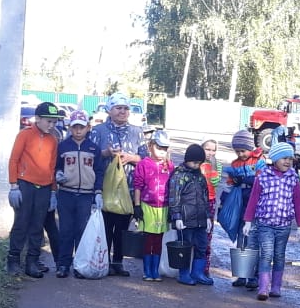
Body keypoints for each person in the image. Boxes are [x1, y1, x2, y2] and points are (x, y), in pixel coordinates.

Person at [88, 93, 148, 276]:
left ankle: (118, 262)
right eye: (118, 108)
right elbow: (90, 156)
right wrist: (106, 153)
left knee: (122, 227)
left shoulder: (138, 132)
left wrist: (130, 157)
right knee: (105, 226)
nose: (122, 112)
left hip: (128, 188)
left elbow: (145, 159)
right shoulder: (98, 131)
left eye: (125, 108)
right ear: (109, 110)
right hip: (105, 187)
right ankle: (103, 261)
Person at [242, 142, 300, 301]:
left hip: (284, 225)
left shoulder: (293, 178)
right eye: (284, 158)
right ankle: (263, 287)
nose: (287, 162)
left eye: (290, 159)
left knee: (279, 255)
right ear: (275, 159)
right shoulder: (263, 176)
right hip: (265, 224)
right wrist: (248, 221)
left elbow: (298, 202)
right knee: (266, 254)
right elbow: (254, 200)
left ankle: (276, 286)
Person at [6, 101, 61, 278]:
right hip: (25, 184)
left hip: (44, 187)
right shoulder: (25, 135)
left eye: (54, 122)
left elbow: (52, 166)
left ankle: (32, 261)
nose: (51, 125)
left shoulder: (53, 140)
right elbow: (14, 159)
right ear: (37, 118)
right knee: (21, 223)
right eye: (48, 121)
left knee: (38, 225)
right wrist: (14, 186)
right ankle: (13, 261)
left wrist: (53, 191)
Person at [54, 109, 106, 278]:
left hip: (86, 195)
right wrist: (58, 176)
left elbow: (99, 171)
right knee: (66, 230)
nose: (78, 130)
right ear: (69, 127)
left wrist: (98, 192)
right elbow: (57, 167)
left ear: (88, 128)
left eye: (81, 127)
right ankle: (63, 264)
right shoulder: (63, 146)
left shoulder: (94, 148)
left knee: (82, 231)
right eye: (75, 127)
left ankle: (80, 264)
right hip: (66, 194)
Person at [223, 129, 266, 288]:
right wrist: (224, 199)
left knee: (254, 241)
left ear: (250, 147)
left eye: (243, 150)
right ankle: (241, 274)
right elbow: (229, 184)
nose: (240, 154)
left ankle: (254, 277)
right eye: (237, 151)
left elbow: (261, 179)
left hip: (255, 206)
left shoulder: (259, 160)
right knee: (241, 241)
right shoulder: (235, 164)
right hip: (240, 206)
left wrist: (246, 179)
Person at [132, 129, 174, 282]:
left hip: (164, 207)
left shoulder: (169, 166)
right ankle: (147, 270)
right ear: (150, 146)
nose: (162, 152)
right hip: (147, 206)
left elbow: (173, 187)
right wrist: (137, 206)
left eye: (165, 149)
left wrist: (172, 208)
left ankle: (155, 271)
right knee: (148, 239)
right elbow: (138, 186)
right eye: (159, 148)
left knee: (158, 240)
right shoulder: (143, 164)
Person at [168, 144, 213, 286]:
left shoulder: (200, 177)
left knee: (202, 245)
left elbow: (205, 197)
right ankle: (184, 273)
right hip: (185, 219)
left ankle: (197, 272)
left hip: (200, 219)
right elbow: (174, 197)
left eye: (199, 163)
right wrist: (177, 216)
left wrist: (207, 216)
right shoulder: (179, 175)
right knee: (184, 247)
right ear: (187, 159)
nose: (197, 165)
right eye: (195, 162)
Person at [200, 138, 222, 274]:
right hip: (196, 201)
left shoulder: (217, 165)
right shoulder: (198, 163)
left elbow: (215, 182)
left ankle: (205, 268)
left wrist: (213, 167)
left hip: (210, 201)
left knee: (208, 234)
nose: (210, 153)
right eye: (207, 149)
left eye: (213, 150)